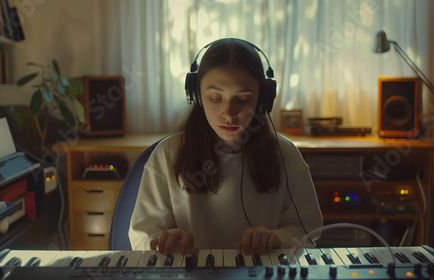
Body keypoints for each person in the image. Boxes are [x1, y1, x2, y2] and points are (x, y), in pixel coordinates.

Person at [129, 38, 322, 256]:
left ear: (262, 99)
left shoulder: (285, 154)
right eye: (215, 98)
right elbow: (142, 234)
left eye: (242, 99)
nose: (229, 113)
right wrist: (164, 244)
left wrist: (276, 238)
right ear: (196, 95)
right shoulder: (168, 154)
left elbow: (308, 230)